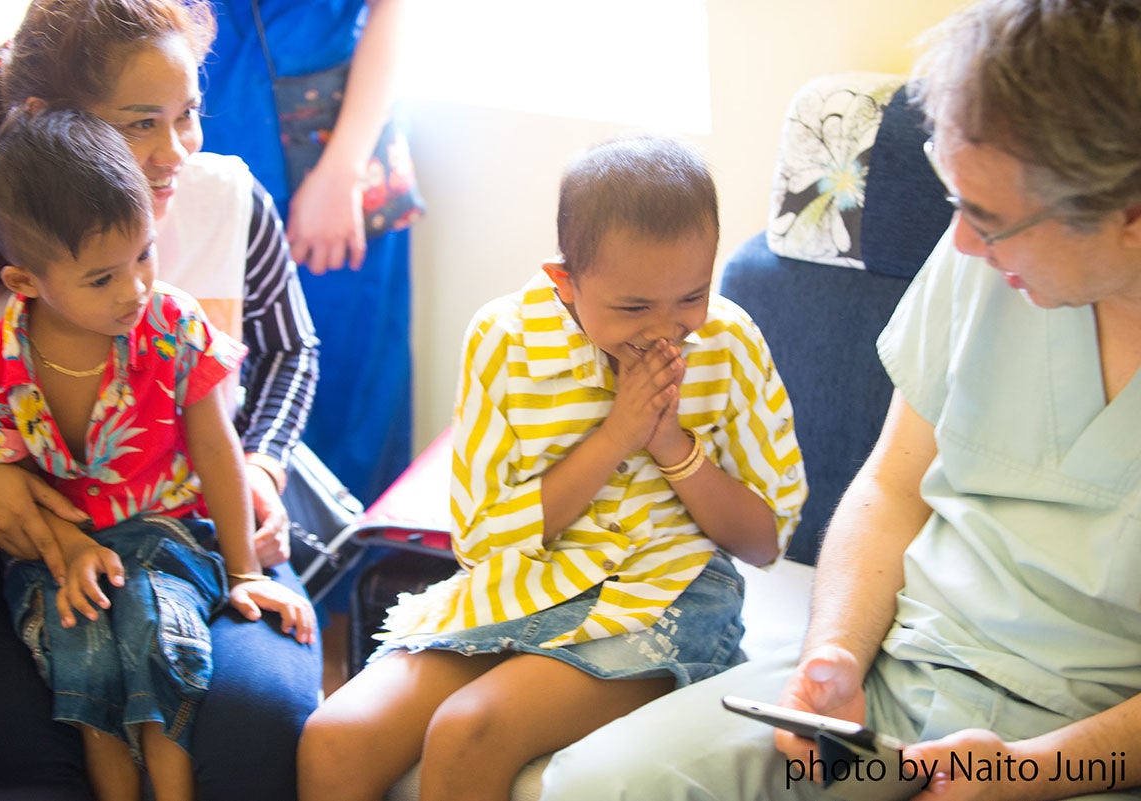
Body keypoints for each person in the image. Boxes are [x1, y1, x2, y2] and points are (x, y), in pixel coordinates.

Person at [538, 1, 1141, 799]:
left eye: (989, 219)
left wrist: (1032, 771)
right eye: (954, 199)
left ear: (1129, 219)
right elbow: (891, 486)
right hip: (895, 665)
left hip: (1087, 746)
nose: (959, 241)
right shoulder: (979, 261)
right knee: (595, 784)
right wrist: (833, 658)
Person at [297, 135, 808, 801]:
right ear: (566, 280)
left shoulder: (728, 343)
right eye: (632, 307)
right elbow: (482, 539)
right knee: (334, 735)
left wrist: (669, 443)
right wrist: (617, 434)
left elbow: (763, 540)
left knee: (468, 729)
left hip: (666, 593)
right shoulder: (504, 339)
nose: (665, 329)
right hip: (526, 586)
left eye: (691, 296)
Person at [0, 1, 323, 798]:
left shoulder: (228, 200)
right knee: (14, 749)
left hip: (204, 526)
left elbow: (293, 352)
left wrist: (265, 462)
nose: (175, 150)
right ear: (47, 122)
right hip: (42, 551)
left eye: (187, 115)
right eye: (140, 123)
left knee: (252, 721)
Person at [202, 0, 413, 506]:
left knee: (346, 412)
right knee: (206, 393)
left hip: (329, 155)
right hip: (193, 134)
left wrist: (342, 171)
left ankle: (351, 579)